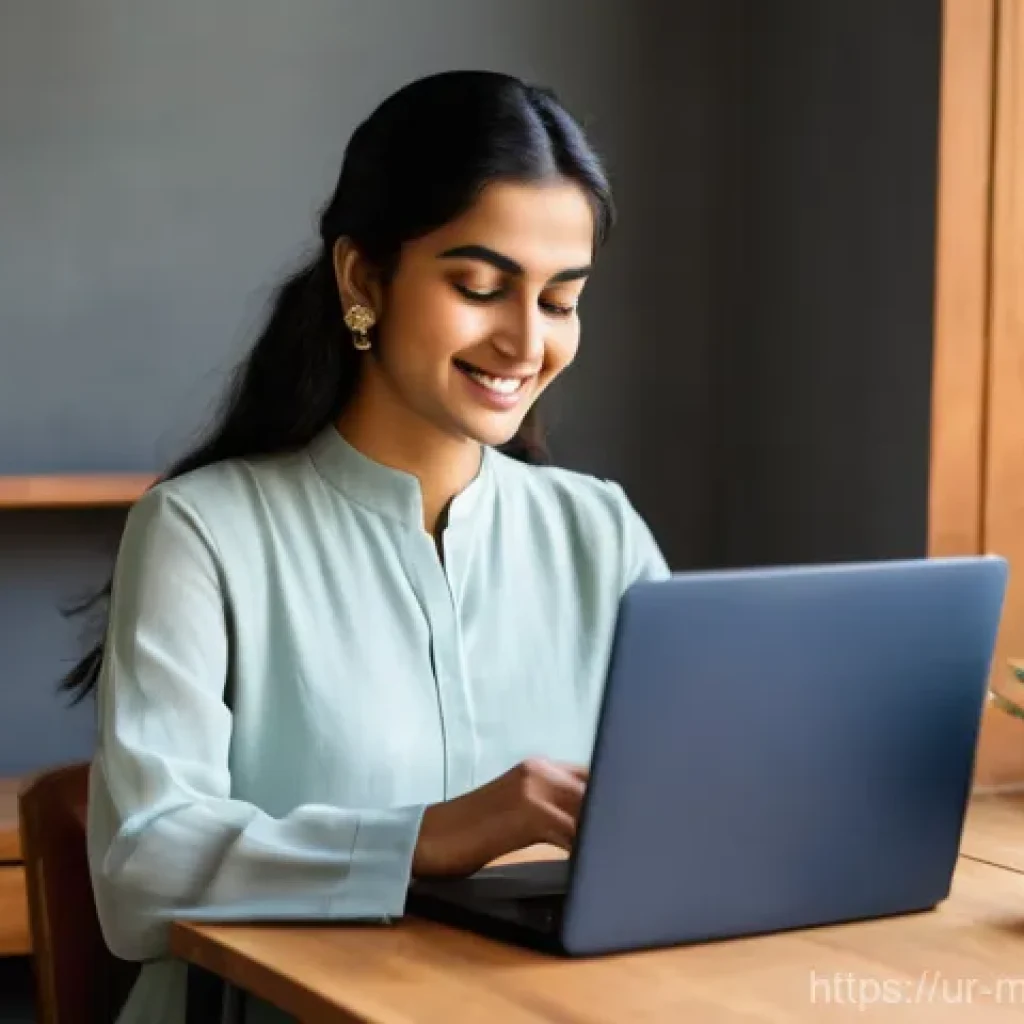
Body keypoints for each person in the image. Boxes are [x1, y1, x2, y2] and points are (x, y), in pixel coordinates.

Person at [65, 69, 668, 1023]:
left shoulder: (602, 531)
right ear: (362, 278)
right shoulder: (200, 530)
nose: (524, 342)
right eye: (480, 287)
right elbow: (142, 871)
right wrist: (427, 837)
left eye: (559, 301)